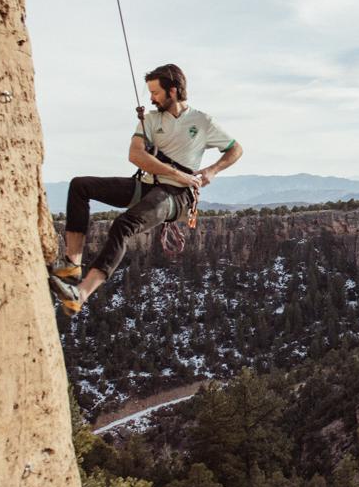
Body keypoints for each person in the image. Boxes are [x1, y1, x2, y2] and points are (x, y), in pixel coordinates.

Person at [48, 63, 242, 315]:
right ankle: (72, 264)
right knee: (80, 186)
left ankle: (80, 294)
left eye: (156, 93)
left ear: (172, 91)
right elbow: (135, 155)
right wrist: (176, 173)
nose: (151, 98)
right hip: (149, 184)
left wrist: (212, 171)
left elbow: (235, 148)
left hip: (177, 196)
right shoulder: (150, 120)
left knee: (122, 225)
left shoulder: (202, 122)